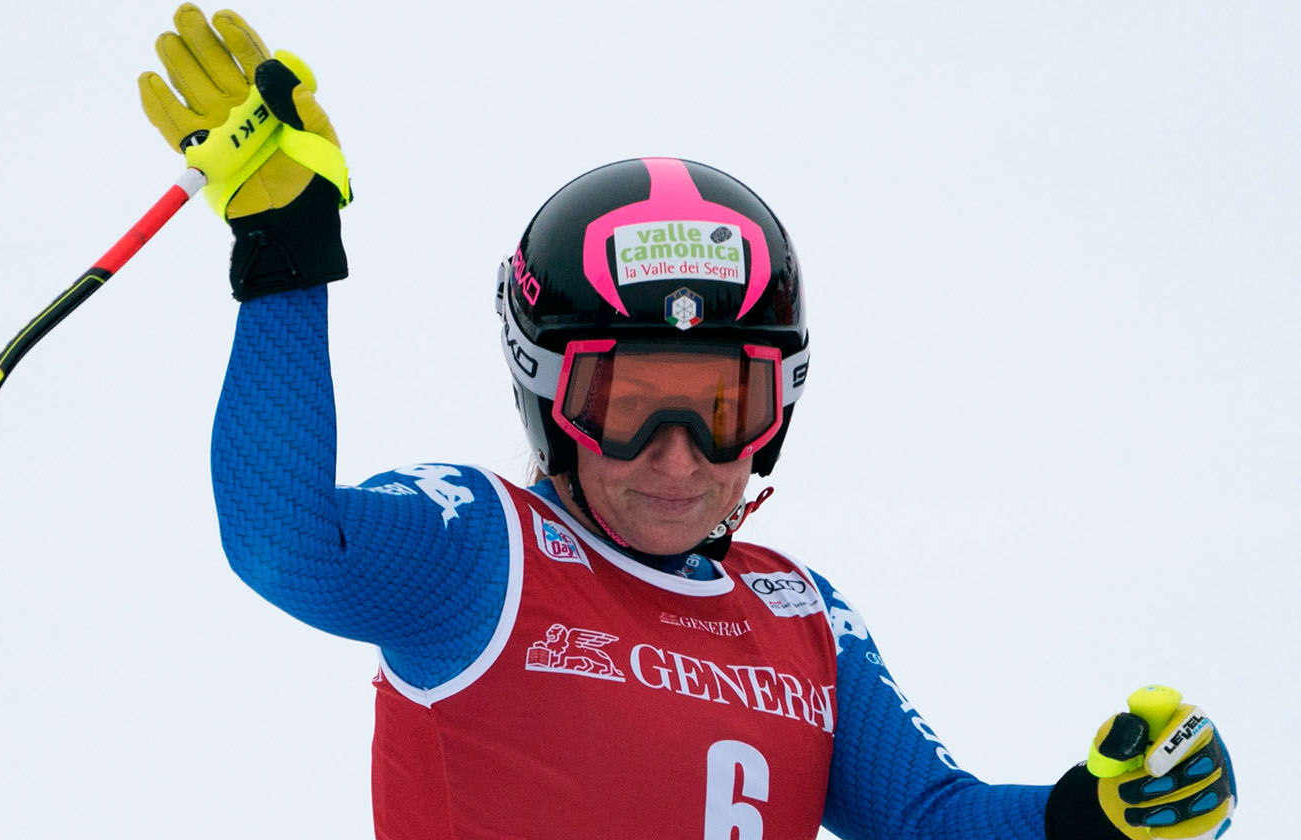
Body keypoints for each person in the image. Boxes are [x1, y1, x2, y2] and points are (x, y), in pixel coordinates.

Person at [138, 6, 1238, 838]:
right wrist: (287, 255)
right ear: (551, 397)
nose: (678, 457)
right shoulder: (480, 551)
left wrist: (1090, 819)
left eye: (723, 408)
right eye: (627, 405)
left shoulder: (801, 616)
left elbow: (928, 819)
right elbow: (285, 543)